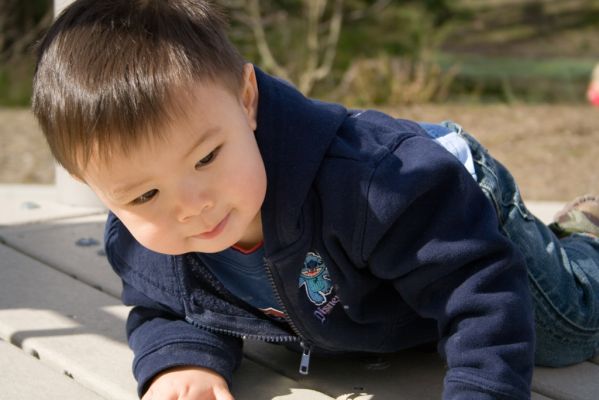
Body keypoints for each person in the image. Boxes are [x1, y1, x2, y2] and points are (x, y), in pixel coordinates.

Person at [31, 1, 599, 399]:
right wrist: (181, 359)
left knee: (562, 332)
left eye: (206, 158)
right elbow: (167, 307)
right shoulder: (142, 240)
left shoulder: (374, 190)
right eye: (144, 194)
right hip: (377, 290)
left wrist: (483, 389)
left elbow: (478, 290)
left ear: (247, 100)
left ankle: (588, 236)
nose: (190, 206)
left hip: (451, 202)